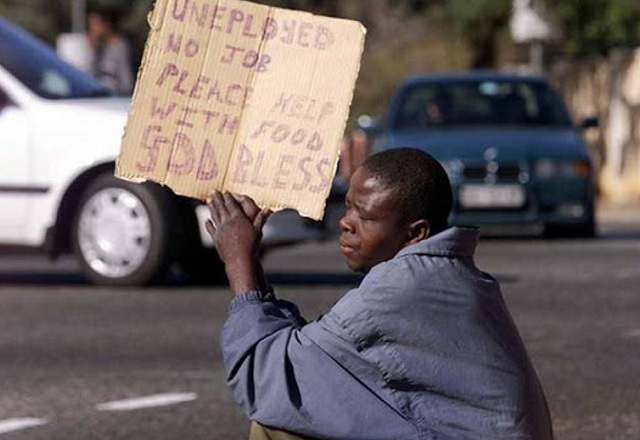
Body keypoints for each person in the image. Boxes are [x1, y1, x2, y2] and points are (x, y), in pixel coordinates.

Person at [206, 148, 554, 440]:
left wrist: (238, 259)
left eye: (366, 216)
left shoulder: (397, 292)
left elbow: (263, 380)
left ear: (415, 232)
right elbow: (303, 355)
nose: (346, 222)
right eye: (349, 207)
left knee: (275, 426)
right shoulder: (453, 276)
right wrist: (250, 260)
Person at [86, 8, 134, 95]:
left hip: (116, 96)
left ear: (106, 25)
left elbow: (127, 80)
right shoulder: (100, 48)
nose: (93, 30)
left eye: (95, 25)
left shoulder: (120, 47)